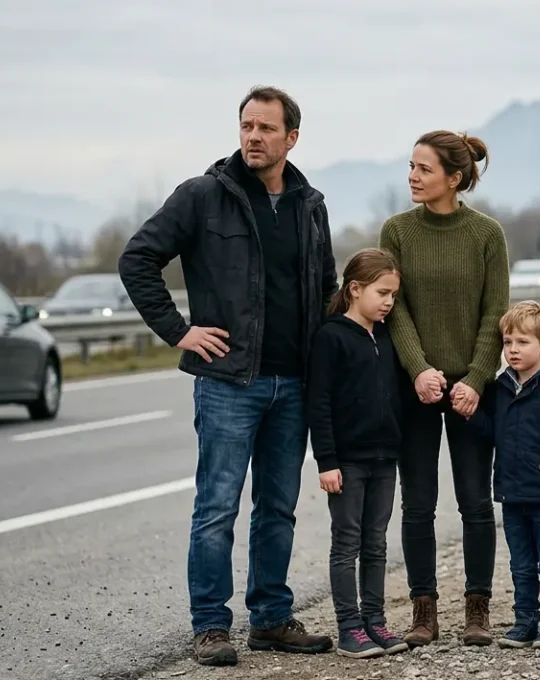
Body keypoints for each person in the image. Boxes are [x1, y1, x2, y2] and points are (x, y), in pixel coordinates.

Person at [118, 85, 335, 667]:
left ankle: (269, 619)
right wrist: (179, 330)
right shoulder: (201, 197)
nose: (254, 137)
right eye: (246, 126)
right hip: (228, 382)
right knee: (217, 506)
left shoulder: (310, 204)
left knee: (279, 506)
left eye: (266, 128)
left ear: (291, 137)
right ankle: (211, 626)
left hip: (294, 383)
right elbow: (137, 259)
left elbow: (324, 286)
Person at [378, 130, 511, 647]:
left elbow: (493, 313)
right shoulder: (397, 231)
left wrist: (476, 379)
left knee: (476, 502)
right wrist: (418, 370)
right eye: (410, 166)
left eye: (423, 169)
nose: (412, 176)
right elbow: (395, 308)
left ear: (453, 178)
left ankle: (477, 609)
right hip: (414, 387)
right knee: (418, 504)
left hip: (471, 389)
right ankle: (423, 611)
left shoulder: (486, 234)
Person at [306, 248, 410, 659]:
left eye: (393, 296)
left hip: (385, 459)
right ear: (354, 289)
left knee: (377, 542)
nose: (388, 302)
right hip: (347, 462)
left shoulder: (385, 336)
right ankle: (350, 628)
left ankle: (376, 622)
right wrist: (326, 461)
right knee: (346, 544)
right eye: (382, 293)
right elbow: (319, 403)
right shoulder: (331, 337)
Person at [466, 301, 540, 650]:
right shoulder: (503, 387)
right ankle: (525, 621)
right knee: (520, 565)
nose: (513, 350)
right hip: (513, 495)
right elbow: (495, 433)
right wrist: (469, 413)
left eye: (522, 342)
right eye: (508, 343)